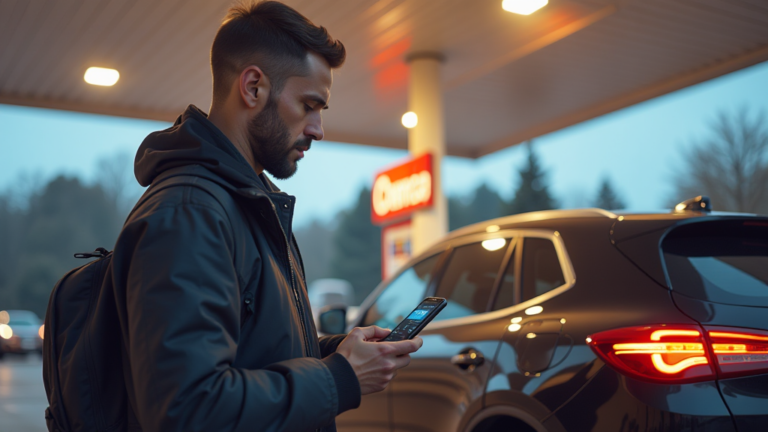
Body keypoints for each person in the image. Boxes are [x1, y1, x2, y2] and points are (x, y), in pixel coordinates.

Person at [110, 2, 422, 431]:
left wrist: (338, 351)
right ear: (253, 87)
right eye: (309, 105)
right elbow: (188, 410)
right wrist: (341, 377)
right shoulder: (191, 214)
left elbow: (256, 351)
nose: (318, 129)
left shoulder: (248, 205)